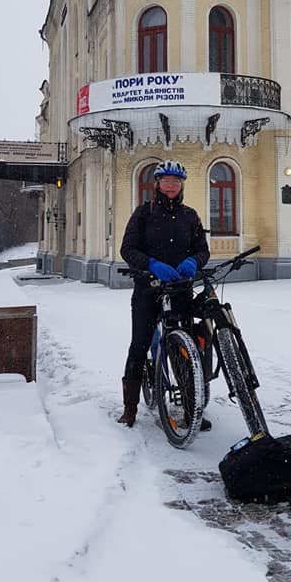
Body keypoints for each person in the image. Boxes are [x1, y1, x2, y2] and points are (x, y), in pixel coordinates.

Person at [118, 160, 210, 429]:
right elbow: (128, 249)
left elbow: (202, 249)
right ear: (157, 184)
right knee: (140, 344)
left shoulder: (190, 216)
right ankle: (130, 408)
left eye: (176, 181)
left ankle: (192, 408)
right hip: (148, 289)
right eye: (166, 180)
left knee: (185, 347)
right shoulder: (143, 214)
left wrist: (194, 262)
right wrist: (151, 264)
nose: (171, 185)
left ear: (181, 185)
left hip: (179, 288)